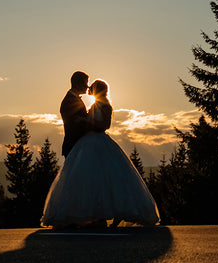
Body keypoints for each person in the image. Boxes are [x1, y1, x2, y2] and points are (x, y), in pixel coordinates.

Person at [41, 78, 160, 228]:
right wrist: (84, 122)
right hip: (87, 142)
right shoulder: (95, 104)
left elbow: (104, 125)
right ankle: (93, 216)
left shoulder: (104, 105)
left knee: (101, 178)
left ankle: (102, 215)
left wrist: (84, 122)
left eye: (91, 87)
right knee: (89, 179)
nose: (88, 88)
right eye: (86, 84)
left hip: (96, 142)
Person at [60, 71, 95, 157]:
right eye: (86, 83)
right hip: (74, 146)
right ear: (78, 84)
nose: (88, 86)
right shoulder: (69, 102)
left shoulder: (73, 99)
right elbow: (75, 124)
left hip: (78, 145)